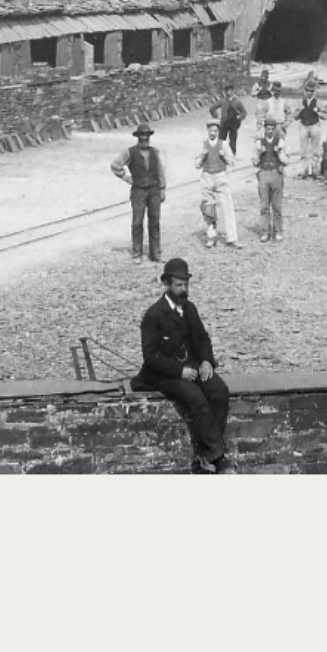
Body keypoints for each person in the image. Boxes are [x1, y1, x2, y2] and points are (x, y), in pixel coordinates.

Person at [132, 258, 235, 474]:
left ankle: (205, 455)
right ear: (166, 284)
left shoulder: (189, 309)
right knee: (196, 397)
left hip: (193, 366)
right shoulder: (154, 315)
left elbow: (202, 337)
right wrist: (180, 371)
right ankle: (217, 457)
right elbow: (151, 357)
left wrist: (206, 360)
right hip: (165, 375)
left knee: (219, 391)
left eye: (186, 284)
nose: (184, 289)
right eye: (179, 285)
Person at [110, 122, 166, 263]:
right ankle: (137, 254)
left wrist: (162, 188)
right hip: (138, 191)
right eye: (142, 135)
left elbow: (160, 171)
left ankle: (156, 253)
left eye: (147, 135)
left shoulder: (154, 152)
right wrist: (126, 178)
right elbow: (115, 165)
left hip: (154, 190)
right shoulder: (130, 152)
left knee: (155, 222)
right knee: (137, 222)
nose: (144, 138)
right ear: (138, 137)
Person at [195, 119, 240, 248]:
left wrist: (224, 156)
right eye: (211, 130)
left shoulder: (223, 144)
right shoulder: (203, 145)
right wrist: (202, 157)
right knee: (208, 208)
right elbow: (196, 165)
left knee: (228, 207)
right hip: (207, 177)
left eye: (215, 130)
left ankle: (232, 237)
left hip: (220, 177)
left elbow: (232, 162)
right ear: (207, 131)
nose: (213, 133)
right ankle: (211, 237)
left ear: (218, 132)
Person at [253, 116, 288, 240]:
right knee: (264, 205)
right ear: (264, 129)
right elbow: (254, 161)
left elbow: (286, 160)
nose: (270, 131)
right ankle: (265, 231)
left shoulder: (280, 142)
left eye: (272, 129)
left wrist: (278, 153)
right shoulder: (259, 143)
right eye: (268, 129)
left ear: (275, 130)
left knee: (277, 205)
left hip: (276, 173)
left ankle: (278, 231)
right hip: (264, 173)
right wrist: (259, 153)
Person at [296, 82, 324, 178]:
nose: (309, 93)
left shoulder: (318, 102)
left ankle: (315, 170)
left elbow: (325, 116)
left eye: (311, 91)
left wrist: (318, 112)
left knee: (315, 150)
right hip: (304, 125)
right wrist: (301, 110)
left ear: (314, 92)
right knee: (303, 150)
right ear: (305, 91)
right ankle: (303, 170)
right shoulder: (301, 101)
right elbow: (295, 117)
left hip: (314, 125)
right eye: (308, 91)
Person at [210, 86, 248, 155]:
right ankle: (219, 154)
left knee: (233, 140)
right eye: (227, 91)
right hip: (224, 123)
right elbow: (212, 108)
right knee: (221, 139)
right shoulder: (223, 101)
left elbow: (244, 112)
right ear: (225, 92)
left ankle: (232, 155)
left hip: (234, 123)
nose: (228, 92)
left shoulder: (237, 102)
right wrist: (216, 116)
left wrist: (240, 117)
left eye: (230, 91)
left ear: (233, 91)